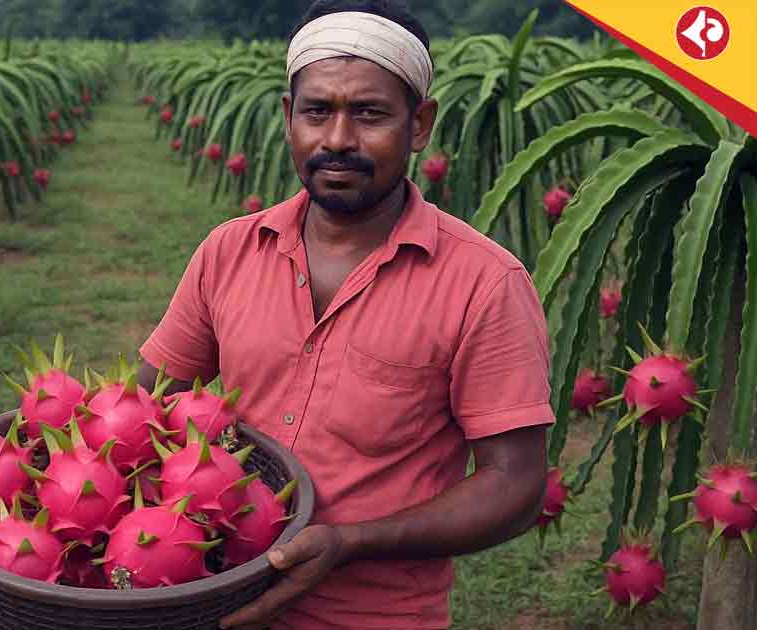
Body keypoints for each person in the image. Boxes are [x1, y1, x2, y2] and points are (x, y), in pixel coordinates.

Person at [134, 1, 556, 628]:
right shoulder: (228, 251)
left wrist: (353, 541)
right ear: (288, 117)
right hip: (213, 597)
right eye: (317, 112)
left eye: (369, 113)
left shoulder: (484, 283)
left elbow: (516, 486)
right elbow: (142, 409)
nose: (337, 139)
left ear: (420, 124)